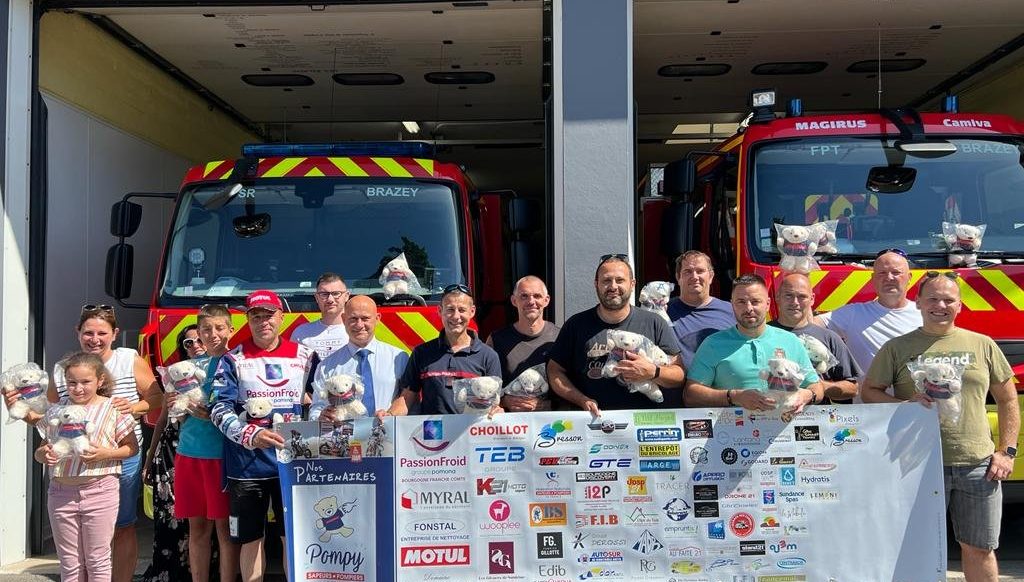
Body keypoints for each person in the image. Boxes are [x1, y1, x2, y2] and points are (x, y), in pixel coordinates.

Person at [862, 271, 1019, 582]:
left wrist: (1007, 452)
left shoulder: (983, 344)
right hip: (915, 465)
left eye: (948, 300)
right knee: (913, 548)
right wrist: (905, 405)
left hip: (977, 465)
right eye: (932, 298)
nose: (940, 305)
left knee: (980, 548)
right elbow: (869, 392)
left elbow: (1008, 399)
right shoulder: (897, 348)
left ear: (960, 305)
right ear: (918, 302)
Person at [23, 305, 161, 582]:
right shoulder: (63, 369)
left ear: (115, 334)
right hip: (71, 467)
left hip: (120, 454)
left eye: (102, 333)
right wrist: (18, 405)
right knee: (78, 552)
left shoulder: (128, 358)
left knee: (122, 526)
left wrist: (133, 408)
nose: (94, 339)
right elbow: (47, 415)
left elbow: (157, 397)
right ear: (78, 332)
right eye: (88, 333)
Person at [211, 290, 317, 582]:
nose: (263, 322)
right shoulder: (232, 359)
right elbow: (218, 408)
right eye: (256, 316)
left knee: (291, 536)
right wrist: (249, 434)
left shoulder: (305, 356)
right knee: (250, 539)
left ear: (281, 317)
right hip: (247, 465)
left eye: (269, 315)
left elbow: (320, 400)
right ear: (248, 320)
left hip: (292, 463)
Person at [35, 352, 139, 582]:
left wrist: (106, 453)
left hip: (100, 490)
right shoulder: (55, 411)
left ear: (100, 380)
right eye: (72, 382)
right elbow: (40, 451)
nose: (78, 388)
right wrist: (44, 454)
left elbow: (132, 447)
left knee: (97, 559)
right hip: (61, 493)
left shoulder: (113, 408)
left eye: (85, 382)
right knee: (69, 562)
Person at [547, 254, 684, 413]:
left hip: (643, 423)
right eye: (606, 280)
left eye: (620, 280)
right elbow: (554, 371)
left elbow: (679, 375)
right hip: (592, 422)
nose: (613, 286)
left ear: (632, 284)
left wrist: (653, 372)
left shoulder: (654, 322)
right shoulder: (576, 325)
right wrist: (581, 399)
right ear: (596, 284)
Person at [684, 274, 824, 411]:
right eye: (741, 302)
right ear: (732, 304)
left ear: (768, 304)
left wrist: (806, 395)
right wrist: (734, 397)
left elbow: (816, 387)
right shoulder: (713, 344)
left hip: (785, 425)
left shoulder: (790, 341)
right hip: (732, 426)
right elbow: (690, 395)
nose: (748, 308)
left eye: (755, 301)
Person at [172, 305, 240, 582]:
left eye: (219, 328)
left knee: (225, 531)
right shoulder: (190, 368)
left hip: (221, 456)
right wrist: (177, 404)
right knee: (197, 529)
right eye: (206, 329)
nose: (213, 334)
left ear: (230, 330)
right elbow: (173, 406)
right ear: (199, 333)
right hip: (189, 454)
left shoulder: (238, 363)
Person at [141, 325, 204, 582]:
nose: (196, 345)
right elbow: (162, 421)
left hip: (203, 453)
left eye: (199, 340)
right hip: (169, 454)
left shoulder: (220, 372)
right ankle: (169, 574)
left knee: (202, 521)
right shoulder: (173, 377)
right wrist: (149, 459)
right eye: (189, 343)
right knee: (169, 517)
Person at [388, 284, 502, 415]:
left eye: (462, 310)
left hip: (472, 427)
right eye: (450, 309)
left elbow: (494, 404)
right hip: (433, 428)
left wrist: (497, 412)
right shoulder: (421, 353)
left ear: (472, 312)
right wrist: (388, 416)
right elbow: (406, 398)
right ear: (439, 311)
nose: (456, 316)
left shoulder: (488, 356)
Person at [815, 249, 922, 380]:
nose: (889, 278)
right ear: (873, 279)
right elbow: (808, 325)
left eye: (896, 272)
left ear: (909, 277)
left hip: (917, 394)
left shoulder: (925, 314)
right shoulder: (853, 314)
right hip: (868, 394)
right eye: (882, 273)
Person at [311, 295, 409, 421]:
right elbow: (317, 407)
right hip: (344, 432)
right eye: (353, 319)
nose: (359, 325)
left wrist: (391, 414)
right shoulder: (327, 366)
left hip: (387, 429)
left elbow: (409, 401)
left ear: (377, 319)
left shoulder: (398, 358)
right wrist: (321, 416)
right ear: (343, 319)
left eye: (365, 318)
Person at [770, 273, 860, 403]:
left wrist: (818, 386)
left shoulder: (829, 338)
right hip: (771, 413)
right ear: (778, 297)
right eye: (788, 295)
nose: (795, 302)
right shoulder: (762, 336)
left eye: (802, 297)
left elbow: (852, 388)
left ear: (812, 299)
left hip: (817, 414)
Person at [664, 250, 735, 406]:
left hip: (720, 403)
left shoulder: (732, 311)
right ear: (678, 277)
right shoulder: (663, 312)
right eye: (687, 272)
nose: (694, 276)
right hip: (674, 405)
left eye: (700, 271)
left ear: (711, 276)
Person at [486, 275, 560, 411]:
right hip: (510, 422)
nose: (531, 301)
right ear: (514, 301)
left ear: (546, 300)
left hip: (551, 421)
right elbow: (485, 387)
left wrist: (548, 405)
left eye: (537, 296)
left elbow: (572, 385)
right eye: (524, 296)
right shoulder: (497, 340)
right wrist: (504, 401)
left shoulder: (560, 337)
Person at [291, 273, 350, 358]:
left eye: (336, 293)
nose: (330, 300)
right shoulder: (301, 333)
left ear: (346, 296)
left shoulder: (358, 331)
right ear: (316, 298)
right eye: (324, 294)